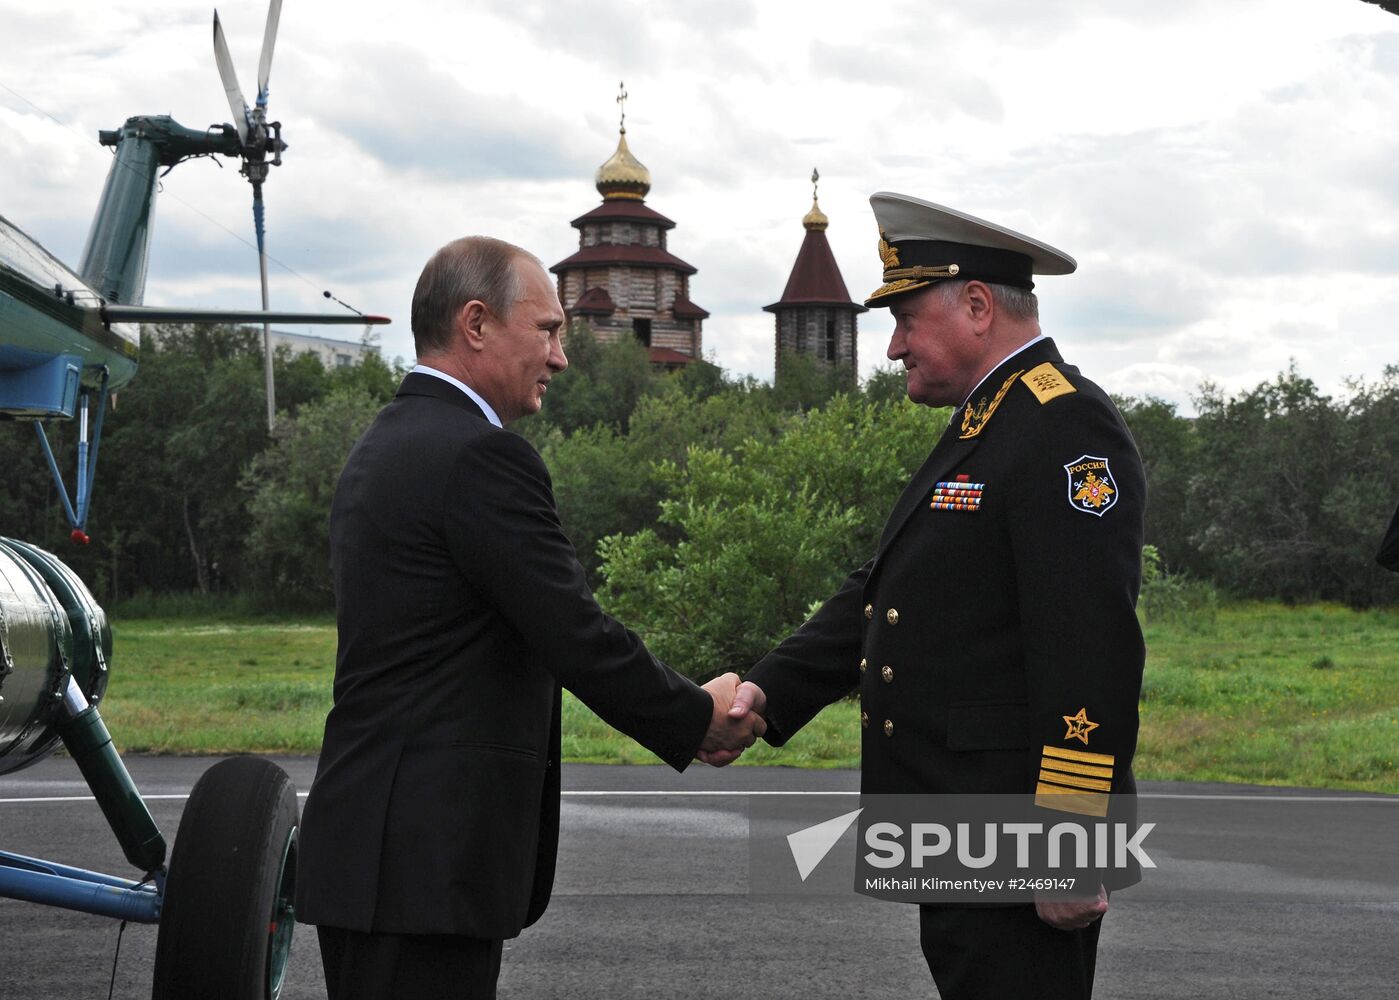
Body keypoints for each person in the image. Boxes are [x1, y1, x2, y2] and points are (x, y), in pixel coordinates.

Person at [295, 236, 764, 1000]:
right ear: (476, 324)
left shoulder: (385, 442)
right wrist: (695, 716)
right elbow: (571, 631)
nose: (560, 358)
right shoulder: (480, 455)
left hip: (377, 851)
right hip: (428, 860)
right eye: (546, 331)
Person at [715, 193, 1146, 999]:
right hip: (961, 817)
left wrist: (1074, 840)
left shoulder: (1061, 425)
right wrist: (767, 692)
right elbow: (887, 593)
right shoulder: (992, 421)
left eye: (906, 318)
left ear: (977, 306)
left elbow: (1088, 641)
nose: (891, 348)